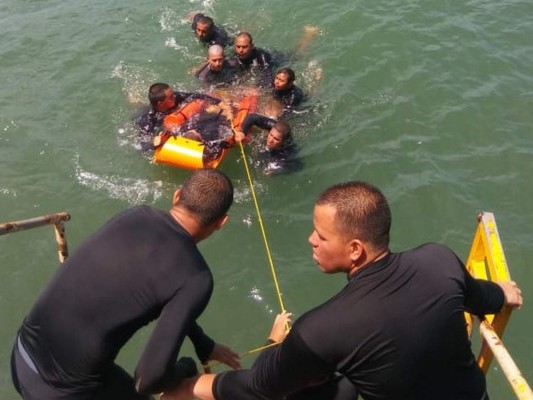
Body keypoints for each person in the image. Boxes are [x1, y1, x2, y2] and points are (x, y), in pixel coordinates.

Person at [161, 180, 523, 400]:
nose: (311, 241)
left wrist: (190, 387)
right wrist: (504, 293)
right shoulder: (440, 259)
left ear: (354, 249)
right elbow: (482, 298)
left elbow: (260, 387)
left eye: (321, 235)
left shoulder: (322, 328)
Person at [11, 169, 242, 400]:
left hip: (20, 358)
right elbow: (148, 380)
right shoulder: (197, 278)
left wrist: (203, 343)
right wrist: (185, 371)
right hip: (63, 394)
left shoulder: (135, 215)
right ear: (221, 222)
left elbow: (159, 287)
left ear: (177, 195)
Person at [137, 83, 220, 151]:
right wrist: (153, 145)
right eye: (171, 97)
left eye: (173, 94)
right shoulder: (150, 118)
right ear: (160, 103)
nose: (175, 96)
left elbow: (198, 96)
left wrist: (219, 103)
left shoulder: (176, 97)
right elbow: (141, 144)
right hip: (143, 116)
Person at [235, 113, 302, 175]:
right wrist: (243, 132)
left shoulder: (287, 151)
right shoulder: (273, 126)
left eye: (276, 139)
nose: (270, 140)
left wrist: (275, 171)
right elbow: (252, 117)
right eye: (270, 135)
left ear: (283, 142)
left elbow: (295, 166)